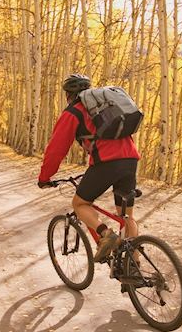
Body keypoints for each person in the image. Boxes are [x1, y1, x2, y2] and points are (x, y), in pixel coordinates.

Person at [37, 73, 141, 262]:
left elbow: (55, 150)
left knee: (80, 204)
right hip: (131, 159)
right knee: (126, 216)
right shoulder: (105, 107)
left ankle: (106, 235)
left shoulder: (73, 112)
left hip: (107, 163)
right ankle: (132, 267)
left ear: (68, 94)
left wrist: (45, 177)